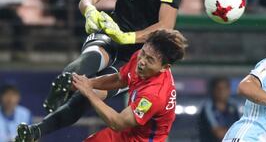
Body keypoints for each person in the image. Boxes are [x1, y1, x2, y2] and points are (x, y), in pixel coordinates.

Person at [14, 0, 184, 140]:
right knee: (89, 61)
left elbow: (166, 25)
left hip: (139, 50)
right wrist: (89, 11)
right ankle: (60, 89)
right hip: (113, 33)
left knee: (87, 97)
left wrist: (128, 37)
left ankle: (38, 131)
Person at [17, 29, 188, 142]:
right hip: (126, 133)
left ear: (165, 67)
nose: (142, 62)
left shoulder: (154, 94)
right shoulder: (139, 57)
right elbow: (119, 80)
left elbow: (118, 122)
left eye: (150, 60)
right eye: (143, 53)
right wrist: (88, 83)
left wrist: (89, 92)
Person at [198, 77, 240, 142]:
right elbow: (218, 133)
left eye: (225, 88)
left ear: (229, 90)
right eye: (219, 88)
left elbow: (240, 130)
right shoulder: (208, 107)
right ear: (213, 90)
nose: (222, 91)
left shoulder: (233, 106)